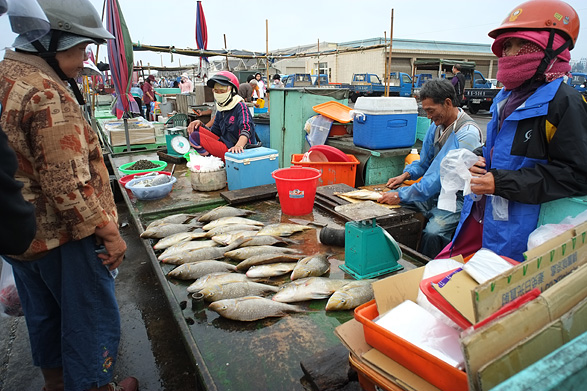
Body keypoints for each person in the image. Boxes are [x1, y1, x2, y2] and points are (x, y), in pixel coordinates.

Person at [0, 0, 138, 390]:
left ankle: (56, 384)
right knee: (88, 322)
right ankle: (94, 384)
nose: (84, 60)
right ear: (52, 41)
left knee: (44, 317)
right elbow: (68, 186)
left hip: (21, 235)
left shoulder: (7, 74)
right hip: (65, 238)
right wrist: (111, 234)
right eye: (80, 50)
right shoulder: (46, 92)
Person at [440, 0, 587, 263]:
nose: (509, 53)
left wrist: (502, 182)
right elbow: (501, 147)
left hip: (530, 233)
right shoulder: (507, 98)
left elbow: (576, 174)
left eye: (522, 44)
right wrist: (479, 157)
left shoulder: (564, 103)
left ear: (552, 48)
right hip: (493, 222)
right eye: (506, 46)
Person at [377, 79, 483, 258]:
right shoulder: (436, 127)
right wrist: (405, 175)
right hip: (434, 193)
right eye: (425, 111)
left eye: (430, 111)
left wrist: (400, 194)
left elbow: (439, 178)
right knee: (386, 206)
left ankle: (428, 265)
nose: (428, 116)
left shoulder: (467, 134)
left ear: (448, 103)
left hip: (456, 198)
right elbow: (425, 163)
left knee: (434, 232)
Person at [187, 71, 256, 160]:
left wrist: (238, 146)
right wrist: (201, 124)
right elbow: (214, 133)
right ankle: (214, 160)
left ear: (232, 90)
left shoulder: (240, 106)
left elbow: (247, 129)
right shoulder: (221, 109)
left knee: (195, 137)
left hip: (239, 151)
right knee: (195, 129)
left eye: (222, 90)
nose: (219, 93)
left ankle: (215, 162)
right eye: (216, 91)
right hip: (226, 144)